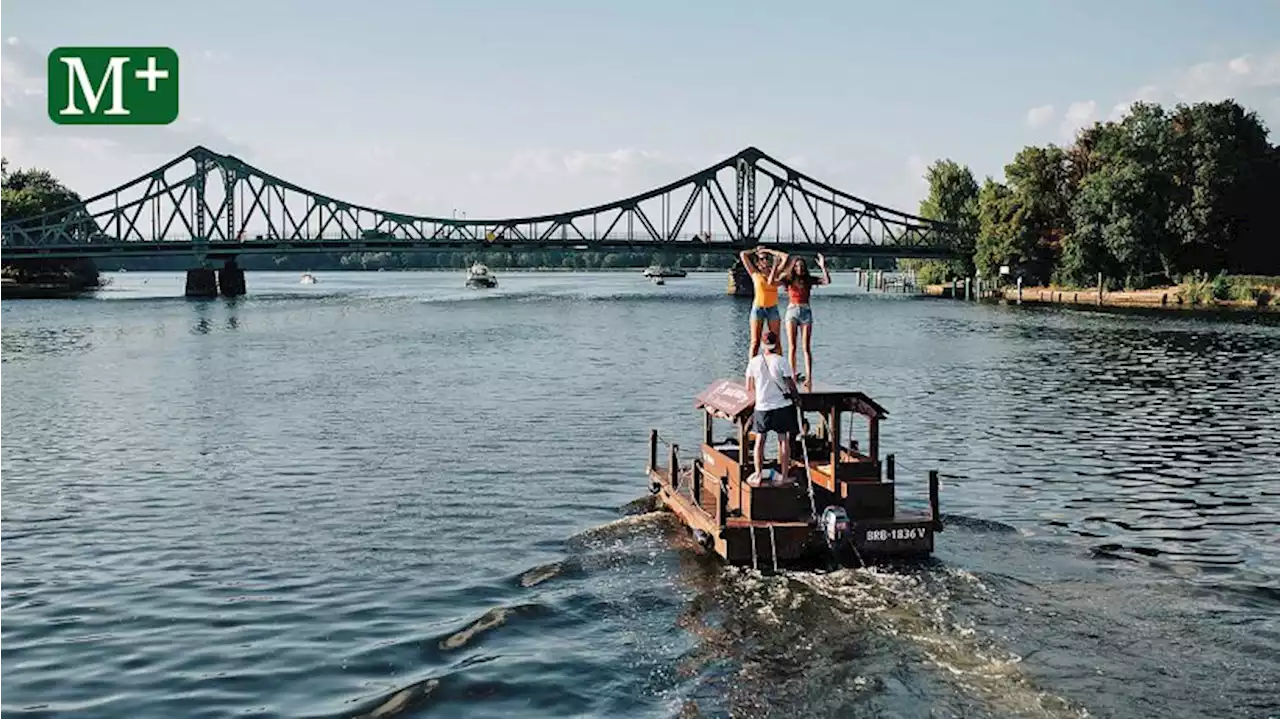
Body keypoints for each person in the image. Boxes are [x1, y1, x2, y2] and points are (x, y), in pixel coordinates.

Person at [744, 330, 801, 486]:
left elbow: (749, 386)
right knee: (783, 440)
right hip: (781, 405)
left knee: (760, 440)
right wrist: (796, 397)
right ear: (777, 344)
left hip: (762, 406)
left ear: (763, 345)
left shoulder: (754, 362)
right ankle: (784, 475)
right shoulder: (781, 361)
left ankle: (758, 473)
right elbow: (790, 383)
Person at [779, 254, 831, 384]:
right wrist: (779, 265)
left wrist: (823, 267)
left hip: (805, 311)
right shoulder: (789, 279)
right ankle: (792, 375)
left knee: (806, 347)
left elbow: (827, 281)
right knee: (792, 346)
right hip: (792, 311)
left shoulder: (808, 279)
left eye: (801, 266)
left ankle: (809, 377)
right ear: (793, 267)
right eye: (797, 266)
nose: (799, 268)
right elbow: (773, 281)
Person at [739, 245, 788, 360]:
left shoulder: (775, 272)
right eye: (762, 259)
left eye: (766, 258)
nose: (765, 260)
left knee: (776, 341)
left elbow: (785, 257)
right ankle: (751, 372)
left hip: (772, 309)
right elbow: (743, 255)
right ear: (757, 262)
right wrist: (755, 250)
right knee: (755, 342)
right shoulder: (755, 274)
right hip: (758, 308)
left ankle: (779, 370)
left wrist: (768, 251)